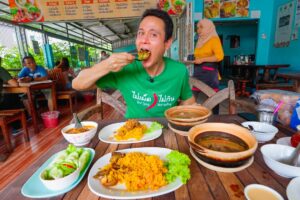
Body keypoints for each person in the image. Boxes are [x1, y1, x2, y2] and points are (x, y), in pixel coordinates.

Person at [73, 8, 195, 118]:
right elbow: (78, 84)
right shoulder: (125, 69)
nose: (144, 40)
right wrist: (107, 64)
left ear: (167, 43)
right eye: (141, 33)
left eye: (153, 35)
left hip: (167, 132)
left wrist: (187, 112)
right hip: (134, 134)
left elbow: (188, 100)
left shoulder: (179, 71)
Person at [192, 19, 224, 113]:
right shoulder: (200, 40)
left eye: (201, 27)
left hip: (209, 73)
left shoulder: (213, 39)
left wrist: (202, 59)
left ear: (208, 27)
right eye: (197, 28)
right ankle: (189, 116)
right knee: (192, 95)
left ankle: (215, 118)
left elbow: (219, 56)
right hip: (198, 71)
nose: (198, 30)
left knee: (213, 97)